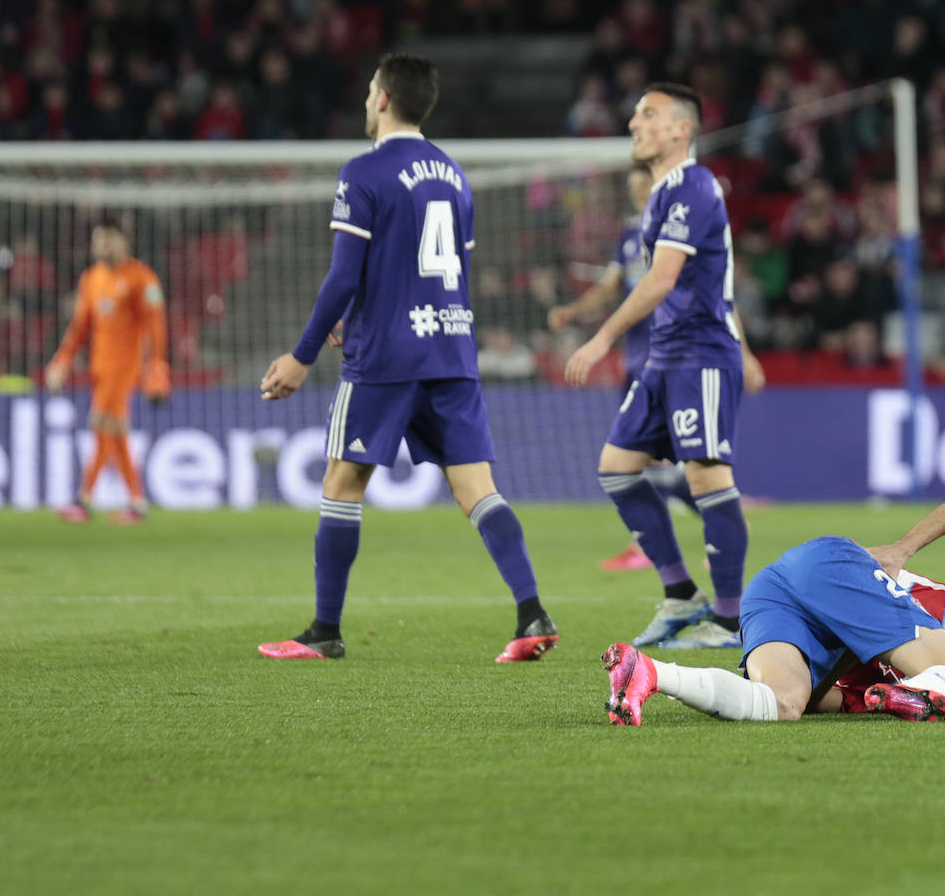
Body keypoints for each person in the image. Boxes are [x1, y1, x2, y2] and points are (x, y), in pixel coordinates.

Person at [256, 53, 559, 664]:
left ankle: (325, 630)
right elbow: (449, 274)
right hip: (451, 350)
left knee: (342, 483)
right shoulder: (454, 175)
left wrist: (302, 354)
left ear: (384, 100)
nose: (368, 99)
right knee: (478, 489)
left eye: (371, 89)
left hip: (386, 359)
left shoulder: (363, 172)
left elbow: (344, 275)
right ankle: (532, 613)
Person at [564, 82, 758, 650]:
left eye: (647, 114)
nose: (633, 123)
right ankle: (680, 594)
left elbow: (662, 279)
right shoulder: (663, 194)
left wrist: (601, 337)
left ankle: (727, 620)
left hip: (699, 353)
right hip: (665, 355)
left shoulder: (694, 187)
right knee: (617, 467)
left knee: (706, 476)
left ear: (681, 129)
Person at [602, 486, 945, 725]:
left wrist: (843, 665)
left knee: (783, 702)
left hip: (774, 591)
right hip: (832, 566)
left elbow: (818, 700)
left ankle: (649, 673)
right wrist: (902, 549)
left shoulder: (873, 690)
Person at [550, 164, 716, 572]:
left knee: (644, 454)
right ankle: (717, 514)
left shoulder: (678, 234)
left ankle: (664, 539)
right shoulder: (630, 236)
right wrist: (574, 312)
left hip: (671, 355)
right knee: (653, 456)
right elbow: (610, 287)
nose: (639, 195)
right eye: (635, 189)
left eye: (646, 188)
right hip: (636, 357)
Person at [45, 218, 170, 525]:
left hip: (125, 367)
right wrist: (61, 360)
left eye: (109, 239)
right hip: (99, 366)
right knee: (114, 431)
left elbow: (155, 327)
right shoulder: (91, 279)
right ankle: (136, 503)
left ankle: (84, 499)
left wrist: (156, 366)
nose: (102, 246)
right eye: (98, 240)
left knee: (103, 422)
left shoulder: (142, 278)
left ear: (123, 243)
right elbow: (79, 328)